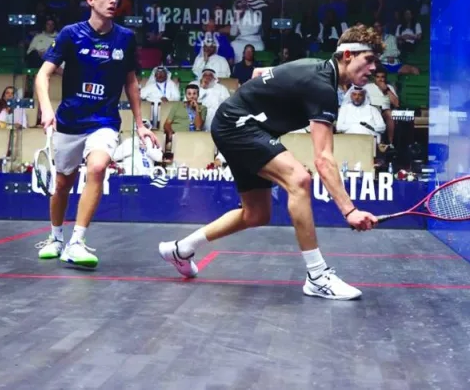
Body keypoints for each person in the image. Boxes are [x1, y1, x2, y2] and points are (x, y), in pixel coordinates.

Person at [159, 24, 383, 300]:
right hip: (238, 126)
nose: (374, 68)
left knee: (256, 214)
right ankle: (317, 276)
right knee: (299, 179)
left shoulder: (314, 68)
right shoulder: (322, 86)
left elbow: (259, 73)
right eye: (368, 60)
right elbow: (324, 159)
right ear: (348, 55)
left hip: (236, 124)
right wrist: (350, 211)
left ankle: (180, 249)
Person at [34, 0, 159, 268]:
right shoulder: (70, 34)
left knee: (98, 167)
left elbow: (131, 82)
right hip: (69, 121)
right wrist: (46, 109)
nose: (113, 0)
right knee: (62, 183)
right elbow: (42, 75)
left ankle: (77, 242)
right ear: (90, 0)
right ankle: (56, 237)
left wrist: (140, 124)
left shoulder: (125, 38)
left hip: (104, 120)